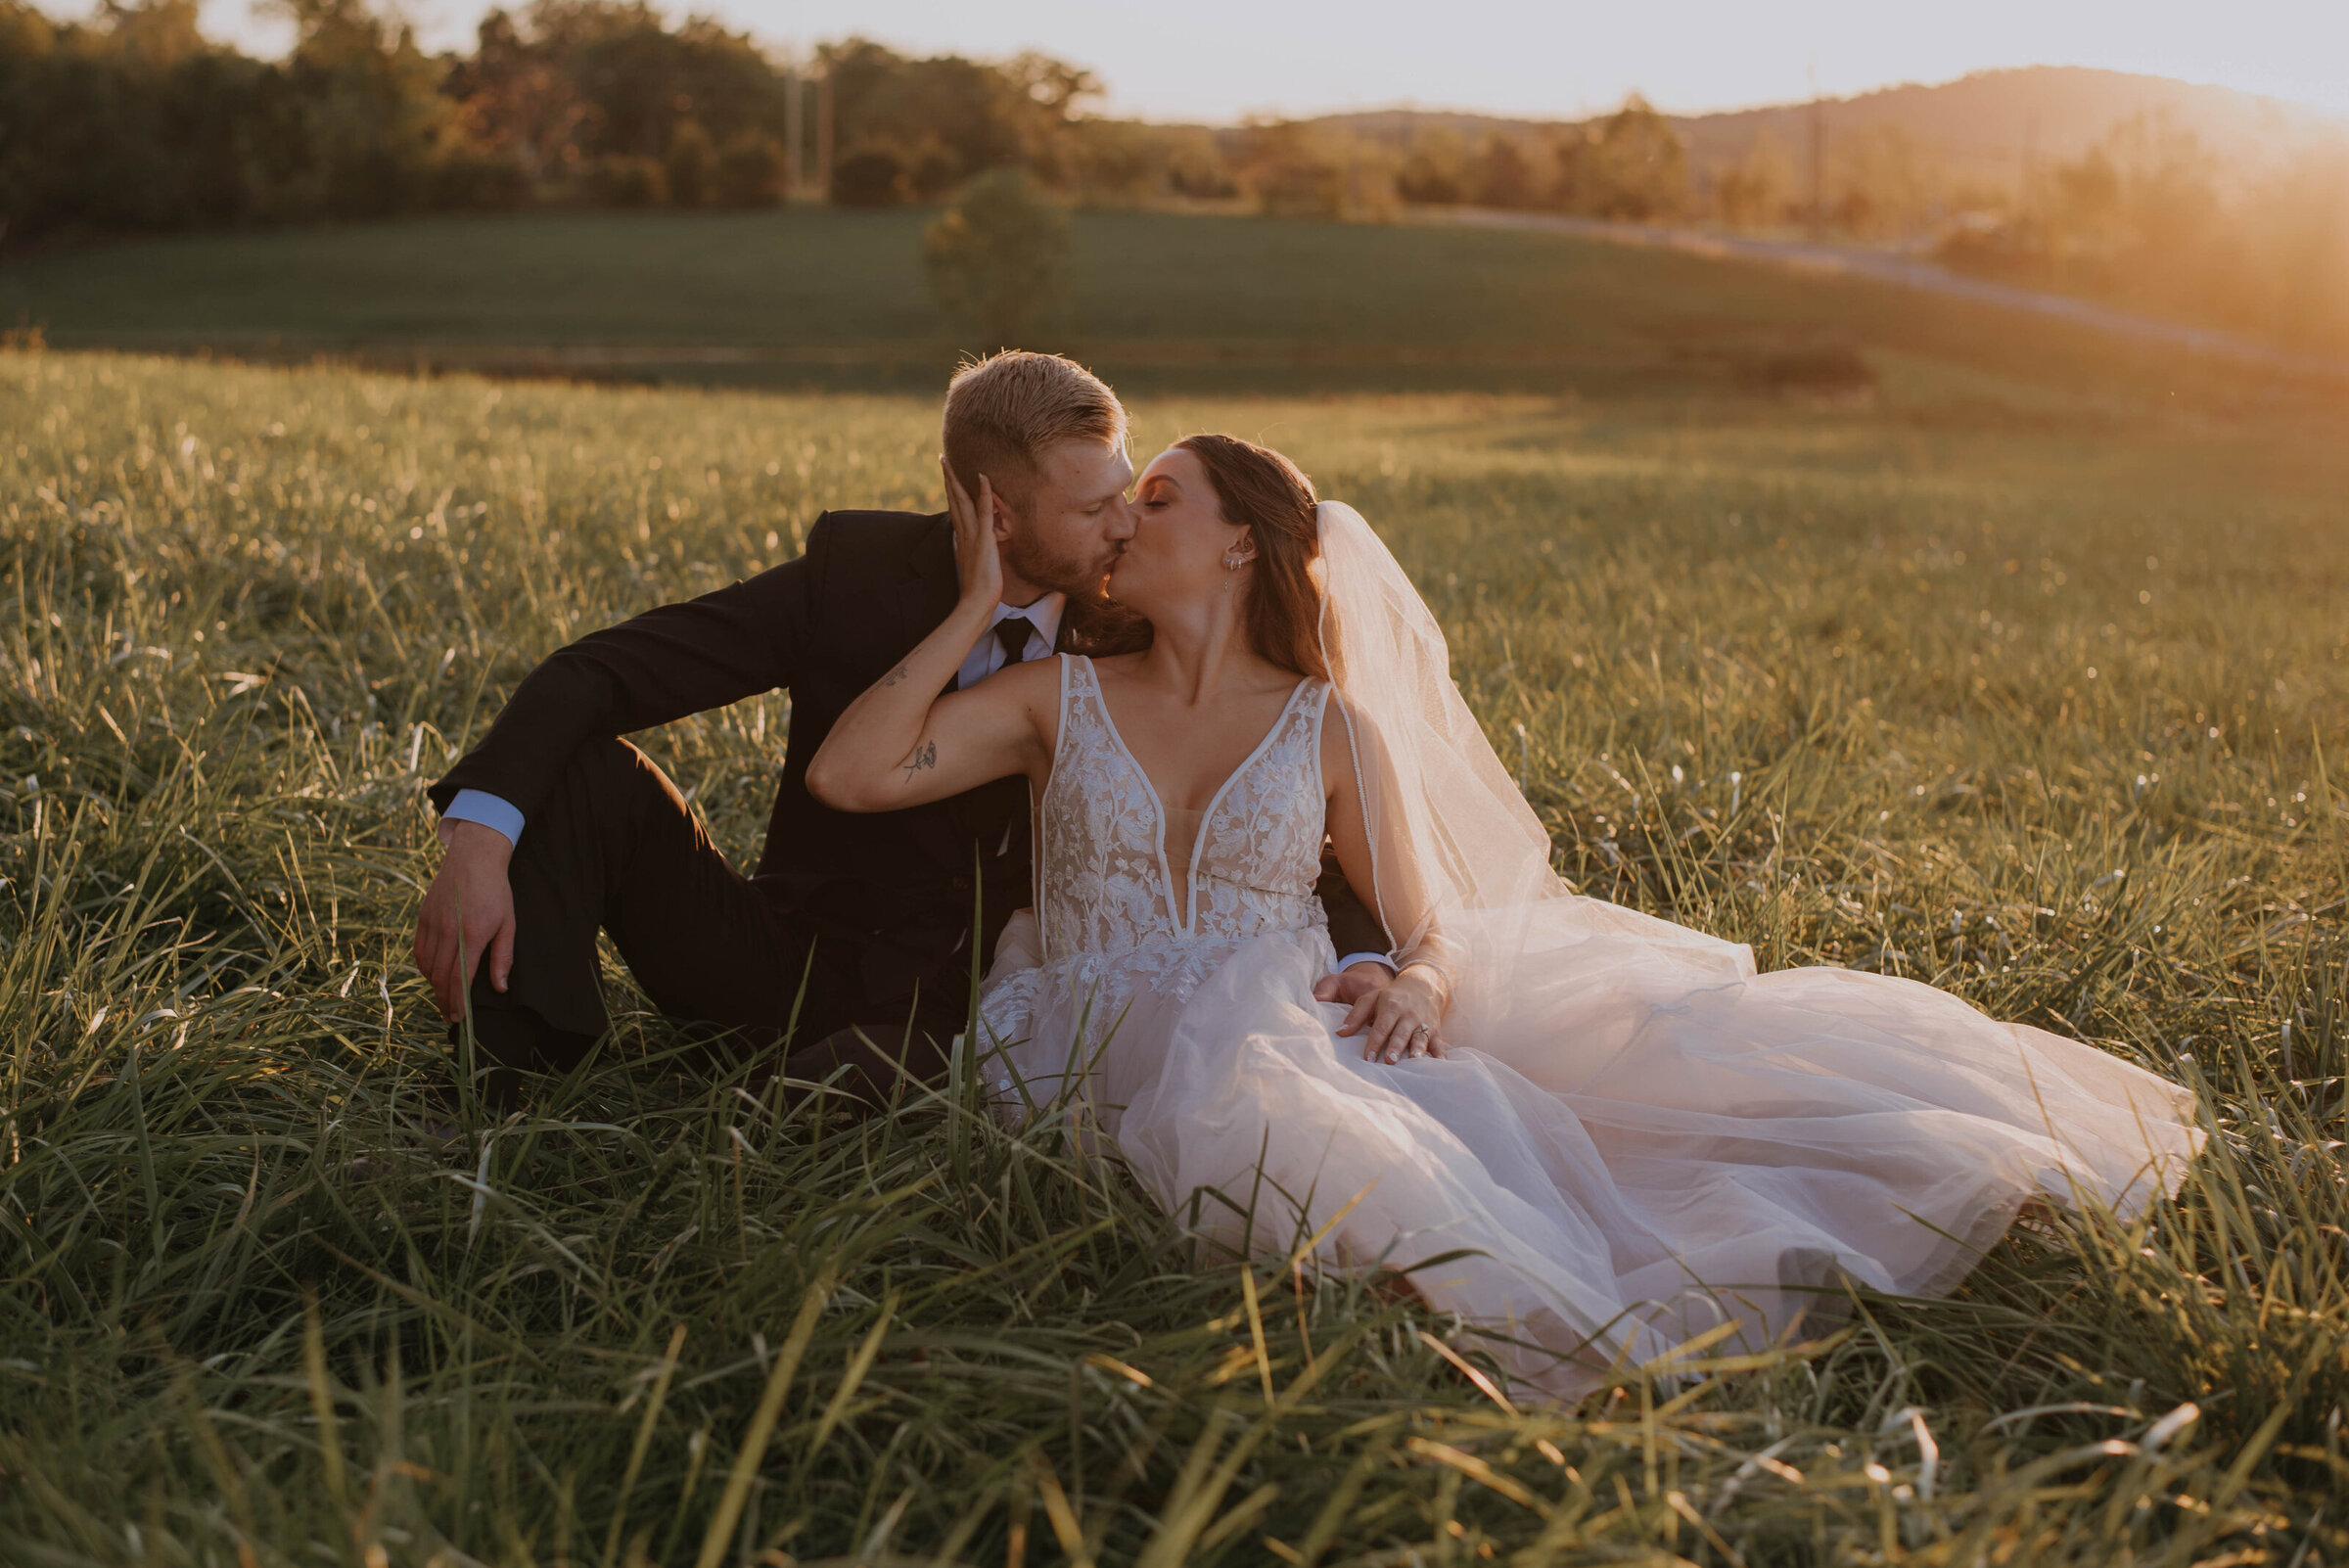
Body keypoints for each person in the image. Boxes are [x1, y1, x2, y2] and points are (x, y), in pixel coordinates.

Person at [806, 432, 2207, 1401]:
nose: (1123, 521)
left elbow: (1427, 927)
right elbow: (851, 772)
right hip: (1079, 1022)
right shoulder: (1056, 698)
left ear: (1240, 543)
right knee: (1280, 1120)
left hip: (1277, 1014)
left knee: (1353, 1119)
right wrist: (980, 601)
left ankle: (1543, 1338)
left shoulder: (1329, 725)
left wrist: (1416, 987)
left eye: (1157, 498)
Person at [411, 353, 1398, 1110]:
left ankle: (806, 1095)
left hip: (978, 1010)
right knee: (582, 777)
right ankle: (516, 1103)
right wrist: (479, 835)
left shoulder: (1132, 613)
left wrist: (1372, 963)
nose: (1124, 528)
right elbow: (607, 670)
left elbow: (1276, 815)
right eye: (1096, 506)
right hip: (787, 956)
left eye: (1129, 494)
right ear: (995, 511)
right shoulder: (858, 575)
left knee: (832, 1090)